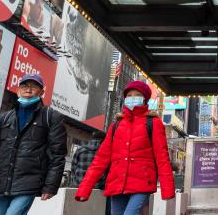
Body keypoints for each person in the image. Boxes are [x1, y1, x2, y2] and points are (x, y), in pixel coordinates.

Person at [0, 73, 67, 215]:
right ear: (18, 90)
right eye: (24, 86)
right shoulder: (3, 119)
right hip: (2, 183)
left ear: (42, 92)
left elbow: (58, 155)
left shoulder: (52, 117)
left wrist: (50, 186)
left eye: (33, 87)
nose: (28, 90)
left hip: (29, 183)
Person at [75, 81, 175, 214]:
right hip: (117, 184)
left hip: (142, 184)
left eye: (137, 95)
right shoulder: (116, 124)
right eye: (129, 95)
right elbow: (101, 159)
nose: (132, 98)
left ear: (145, 99)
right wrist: (84, 188)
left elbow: (162, 158)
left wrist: (167, 189)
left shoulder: (154, 123)